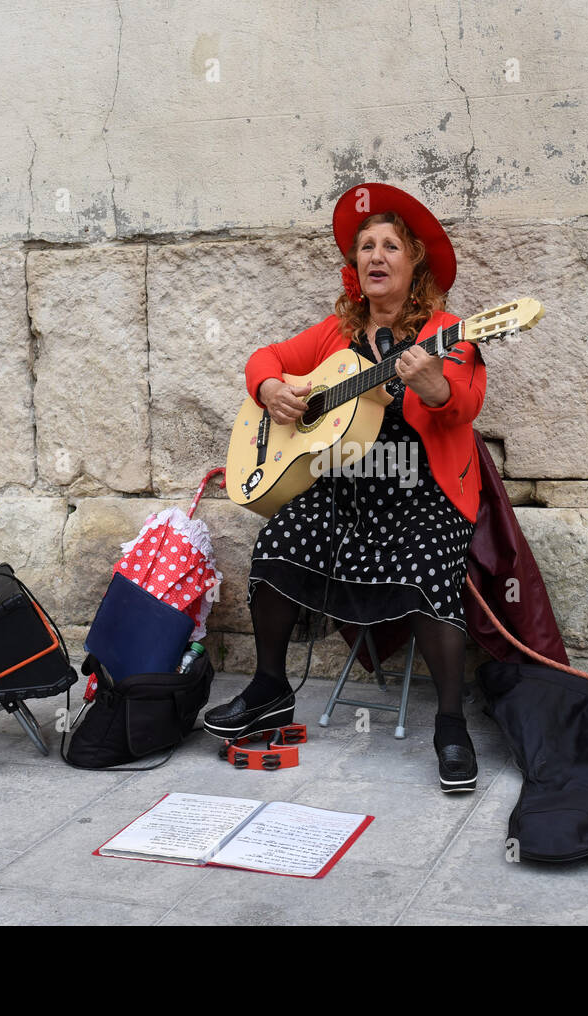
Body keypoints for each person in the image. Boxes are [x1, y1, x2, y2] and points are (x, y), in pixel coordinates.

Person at [203, 182, 488, 792]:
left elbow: (462, 406)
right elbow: (264, 357)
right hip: (344, 493)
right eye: (366, 247)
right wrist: (269, 391)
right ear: (355, 265)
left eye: (391, 246)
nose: (377, 256)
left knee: (432, 566)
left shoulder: (447, 331)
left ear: (414, 264)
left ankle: (450, 724)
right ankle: (271, 689)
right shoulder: (336, 332)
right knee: (278, 543)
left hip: (421, 494)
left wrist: (433, 383)